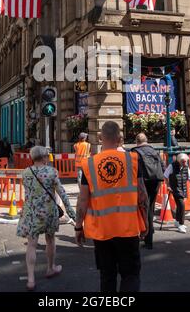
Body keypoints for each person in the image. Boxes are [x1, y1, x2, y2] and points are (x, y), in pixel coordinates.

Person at [75, 121, 148, 293]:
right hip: (128, 228)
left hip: (102, 231)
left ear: (100, 138)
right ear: (119, 139)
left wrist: (79, 227)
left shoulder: (89, 164)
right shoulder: (133, 159)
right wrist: (145, 222)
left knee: (107, 276)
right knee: (130, 275)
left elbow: (83, 200)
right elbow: (142, 195)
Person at [17, 145, 76, 291]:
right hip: (48, 212)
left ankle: (31, 279)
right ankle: (50, 268)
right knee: (50, 239)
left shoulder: (26, 173)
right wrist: (71, 213)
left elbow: (28, 194)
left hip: (31, 213)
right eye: (47, 157)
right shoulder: (52, 172)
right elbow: (61, 193)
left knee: (31, 244)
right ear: (44, 157)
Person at [132, 133, 165, 249]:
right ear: (147, 140)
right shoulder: (154, 151)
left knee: (140, 209)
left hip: (142, 182)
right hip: (155, 181)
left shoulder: (134, 152)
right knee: (150, 209)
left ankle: (140, 236)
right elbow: (162, 166)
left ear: (137, 141)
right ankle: (149, 240)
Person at [164, 153, 190, 234]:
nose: (184, 163)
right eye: (183, 161)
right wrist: (168, 186)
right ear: (179, 161)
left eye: (186, 161)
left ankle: (177, 221)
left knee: (179, 206)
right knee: (182, 205)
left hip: (183, 189)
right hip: (175, 189)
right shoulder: (172, 166)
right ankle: (181, 224)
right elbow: (165, 176)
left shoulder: (186, 167)